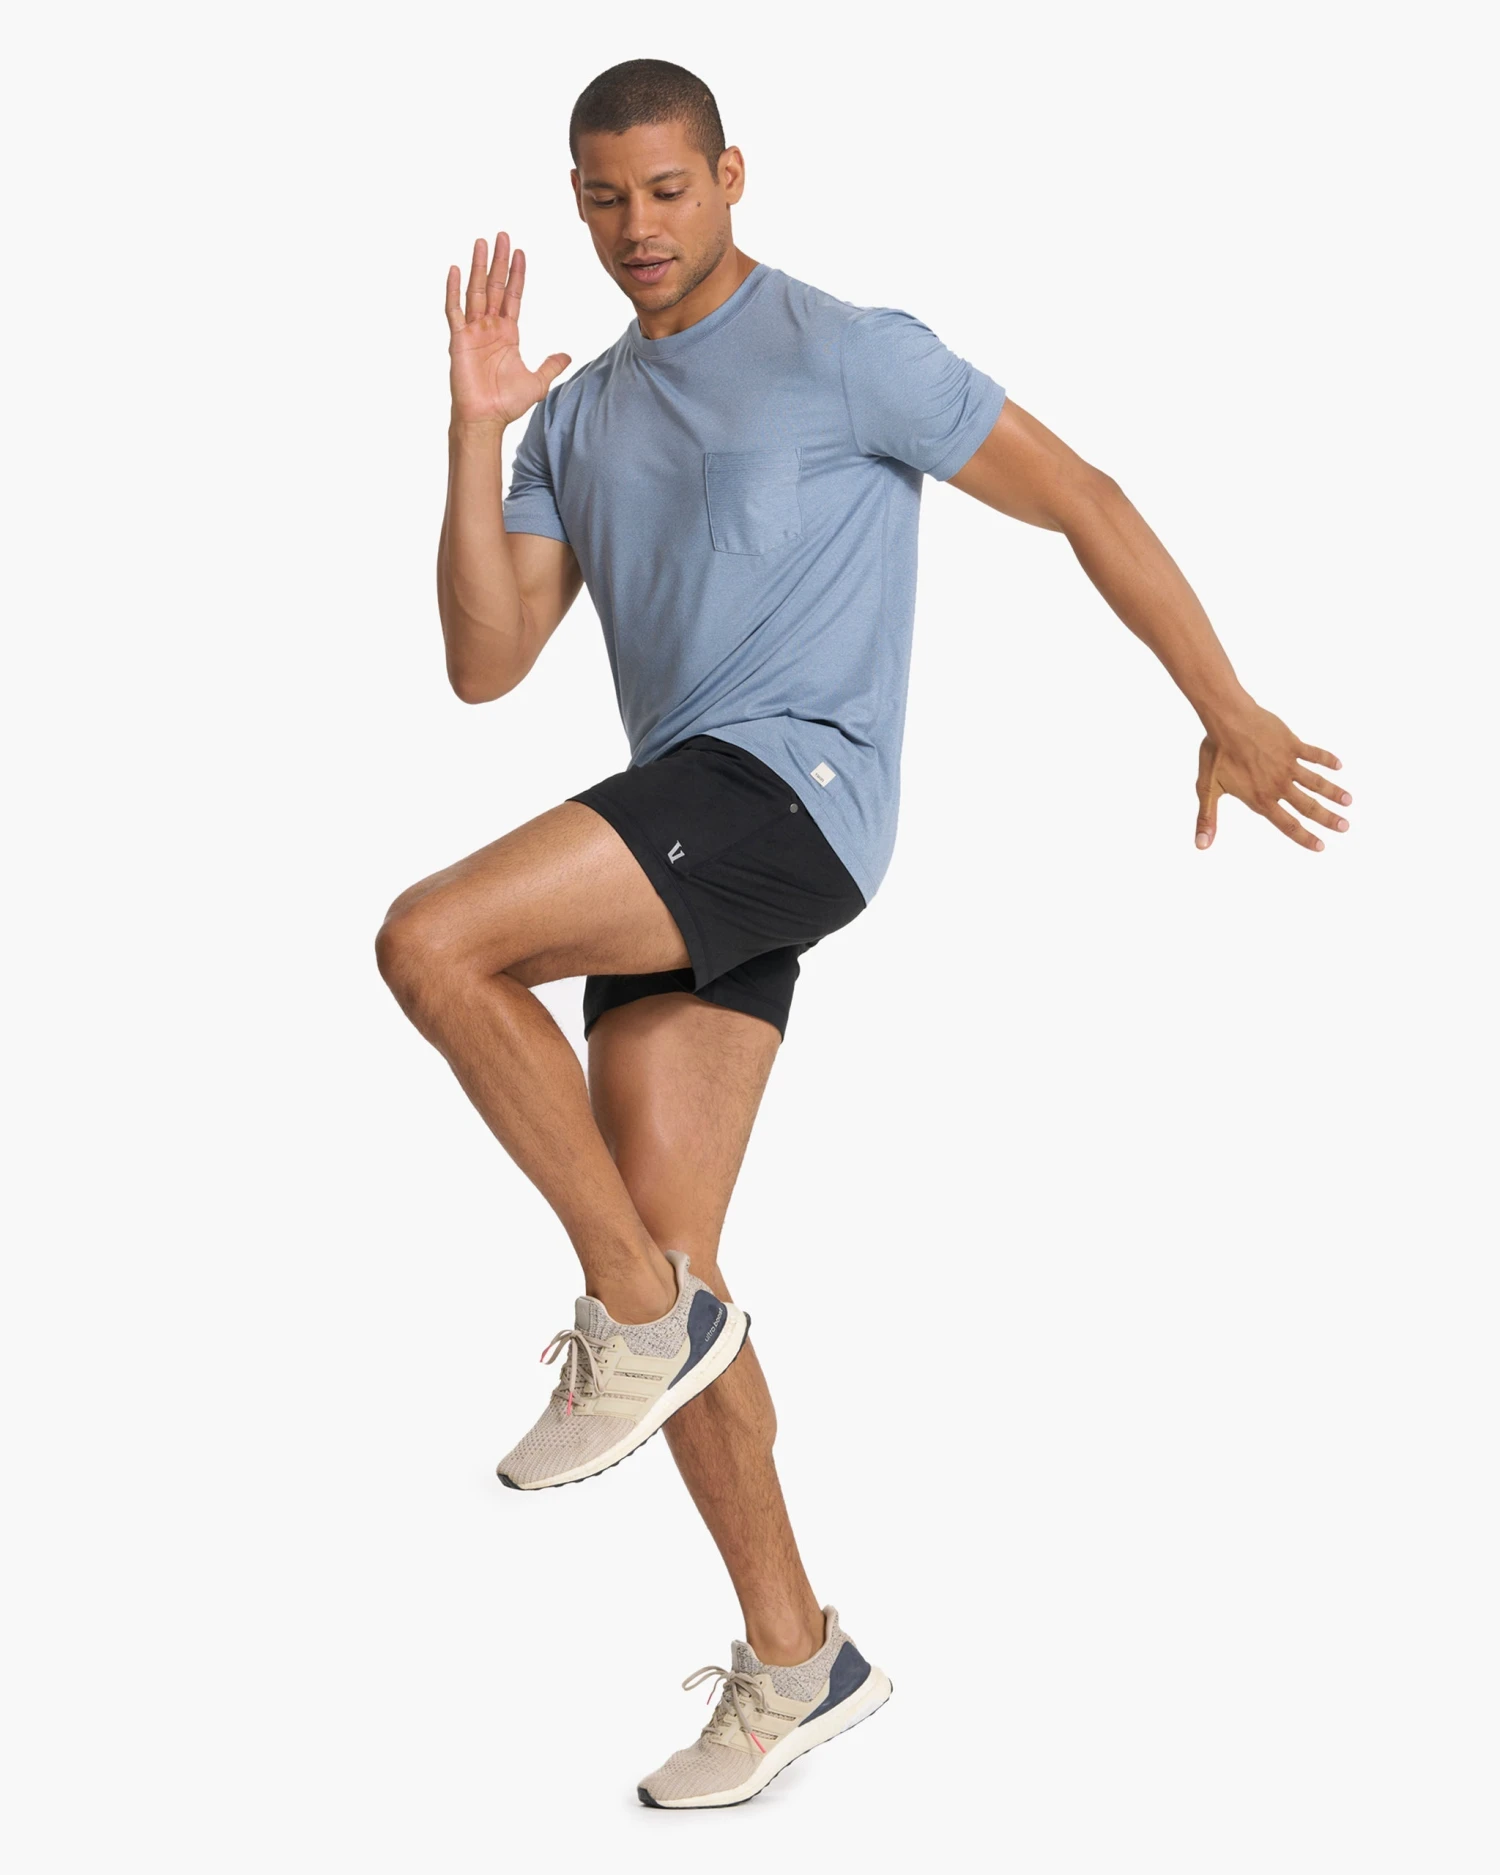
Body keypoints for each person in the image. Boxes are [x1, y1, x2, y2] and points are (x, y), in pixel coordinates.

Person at [376, 57, 1352, 1810]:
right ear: (577, 200)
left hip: (791, 794)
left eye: (667, 188)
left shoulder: (846, 351)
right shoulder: (574, 421)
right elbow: (484, 660)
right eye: (605, 196)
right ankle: (792, 1654)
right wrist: (470, 430)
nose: (637, 226)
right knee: (685, 1263)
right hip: (680, 833)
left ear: (730, 176)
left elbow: (1083, 497)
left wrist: (1230, 707)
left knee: (434, 941)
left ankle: (629, 1310)